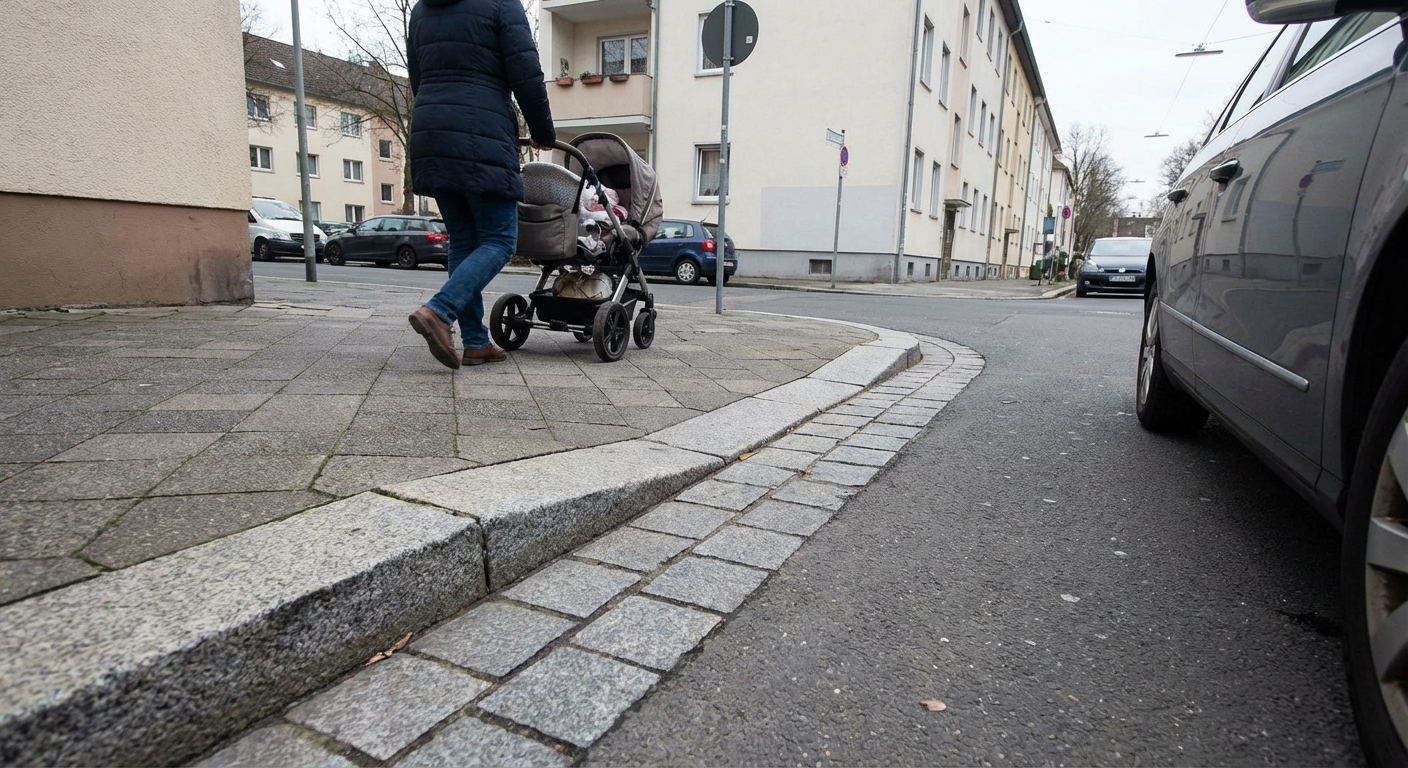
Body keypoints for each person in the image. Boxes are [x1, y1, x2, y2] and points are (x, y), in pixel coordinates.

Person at [405, 0, 556, 369]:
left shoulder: (422, 9)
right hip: (482, 130)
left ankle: (475, 342)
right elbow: (526, 72)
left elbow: (416, 76)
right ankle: (439, 311)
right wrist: (542, 131)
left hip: (431, 128)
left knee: (464, 240)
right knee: (500, 239)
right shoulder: (501, 3)